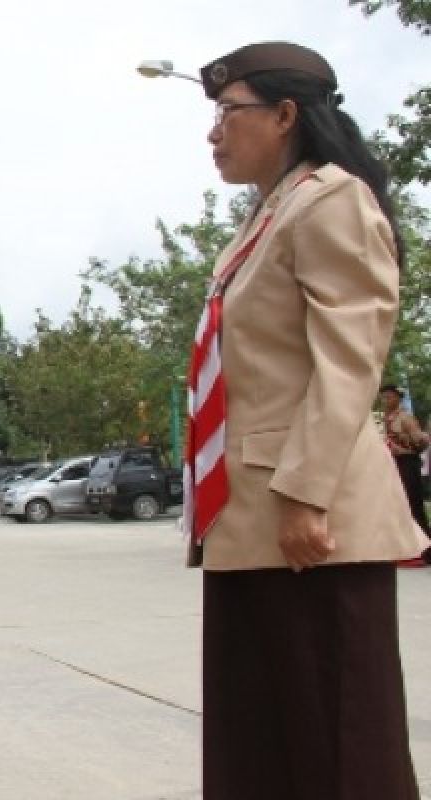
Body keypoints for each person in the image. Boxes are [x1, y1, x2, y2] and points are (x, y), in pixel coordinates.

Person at [184, 43, 427, 799]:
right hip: (252, 520)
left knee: (337, 745)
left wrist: (307, 493)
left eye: (229, 112)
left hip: (308, 522)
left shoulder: (330, 200)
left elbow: (350, 358)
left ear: (286, 115)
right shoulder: (266, 215)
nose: (214, 132)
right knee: (262, 743)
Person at [378, 384, 431, 559]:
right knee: (397, 506)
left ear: (398, 398)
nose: (386, 400)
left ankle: (426, 551)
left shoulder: (406, 418)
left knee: (413, 504)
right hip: (392, 464)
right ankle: (407, 550)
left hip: (407, 463)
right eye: (384, 397)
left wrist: (407, 450)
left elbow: (421, 440)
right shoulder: (385, 418)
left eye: (390, 397)